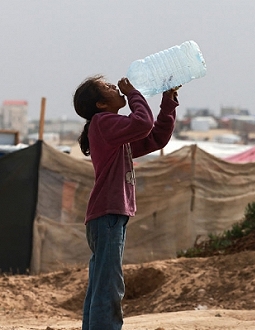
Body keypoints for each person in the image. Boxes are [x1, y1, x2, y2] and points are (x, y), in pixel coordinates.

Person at [73, 75, 179, 330]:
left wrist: (168, 101)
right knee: (109, 285)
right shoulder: (102, 123)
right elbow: (143, 122)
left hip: (108, 216)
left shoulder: (113, 132)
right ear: (100, 104)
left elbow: (155, 138)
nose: (115, 87)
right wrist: (133, 94)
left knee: (102, 284)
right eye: (108, 87)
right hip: (107, 215)